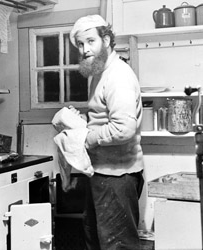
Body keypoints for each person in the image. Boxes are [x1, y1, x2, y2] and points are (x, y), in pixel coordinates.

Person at [69, 14, 145, 250]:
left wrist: (88, 137)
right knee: (97, 239)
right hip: (103, 173)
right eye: (80, 44)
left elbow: (124, 129)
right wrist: (81, 121)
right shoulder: (100, 72)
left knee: (117, 246)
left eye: (91, 41)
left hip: (117, 176)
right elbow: (104, 118)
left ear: (107, 39)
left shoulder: (117, 76)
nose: (85, 49)